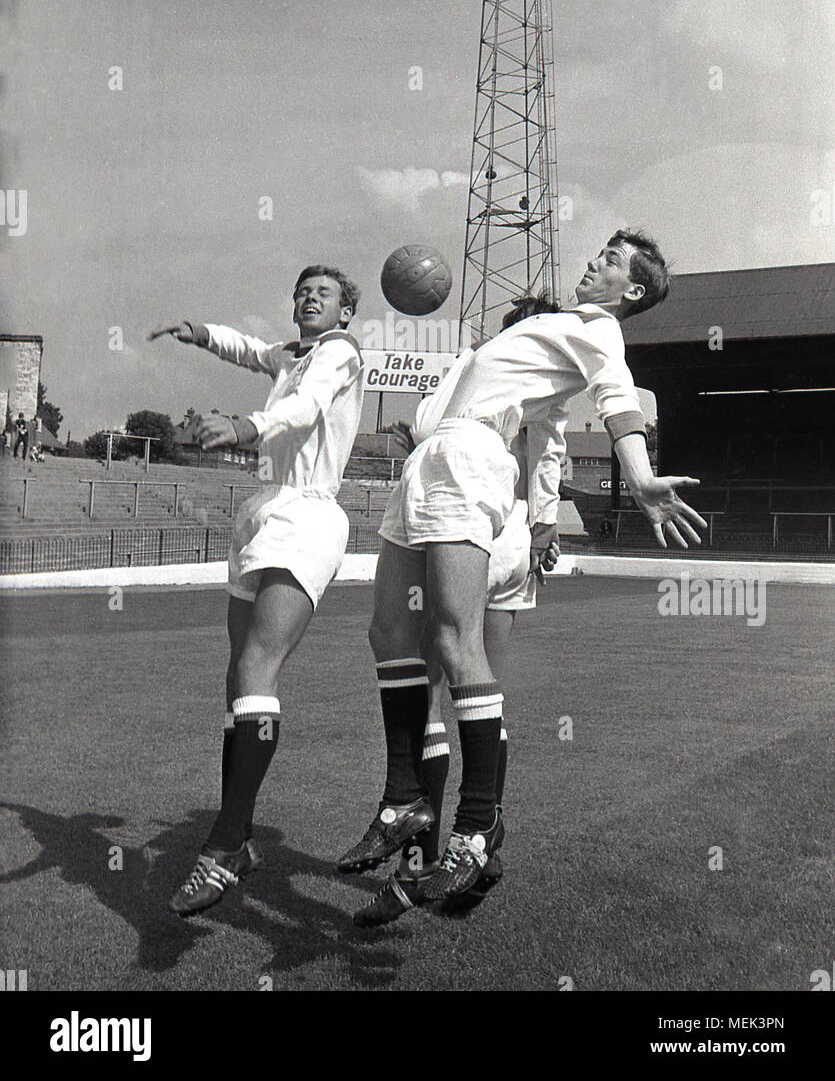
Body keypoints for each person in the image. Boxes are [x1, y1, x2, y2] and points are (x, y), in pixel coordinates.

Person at [343, 230, 707, 915]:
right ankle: (401, 798)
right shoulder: (555, 324)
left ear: (630, 290)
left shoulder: (599, 331)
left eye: (610, 260)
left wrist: (638, 475)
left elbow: (618, 400)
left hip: (469, 459)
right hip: (432, 460)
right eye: (598, 250)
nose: (594, 260)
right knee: (387, 630)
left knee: (455, 642)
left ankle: (475, 828)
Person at [148, 265, 364, 916]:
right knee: (237, 682)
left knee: (257, 667)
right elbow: (248, 348)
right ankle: (238, 835)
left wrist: (245, 426)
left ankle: (220, 849)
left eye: (322, 293)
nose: (307, 298)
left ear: (346, 313)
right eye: (302, 291)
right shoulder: (291, 355)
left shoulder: (341, 354)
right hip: (262, 511)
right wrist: (199, 333)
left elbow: (304, 407)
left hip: (308, 514)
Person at [342, 293, 563, 925]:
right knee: (465, 681)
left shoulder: (523, 377)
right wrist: (543, 526)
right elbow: (532, 452)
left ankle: (438, 846)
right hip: (482, 525)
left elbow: (546, 449)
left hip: (483, 529)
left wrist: (542, 522)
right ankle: (466, 846)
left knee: (446, 673)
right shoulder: (478, 369)